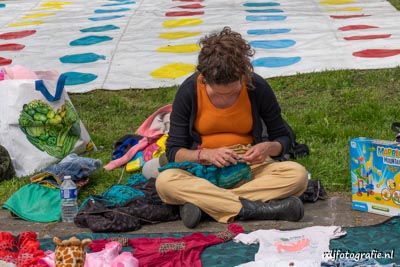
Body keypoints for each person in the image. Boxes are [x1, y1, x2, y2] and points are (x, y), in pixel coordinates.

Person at [155, 26, 308, 228]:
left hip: (248, 165)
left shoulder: (257, 87)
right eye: (217, 93)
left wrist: (267, 148)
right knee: (165, 182)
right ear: (204, 78)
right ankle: (257, 209)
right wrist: (206, 155)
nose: (225, 98)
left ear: (243, 75)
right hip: (203, 170)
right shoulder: (189, 91)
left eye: (232, 91)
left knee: (297, 175)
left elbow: (283, 138)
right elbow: (174, 151)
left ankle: (207, 205)